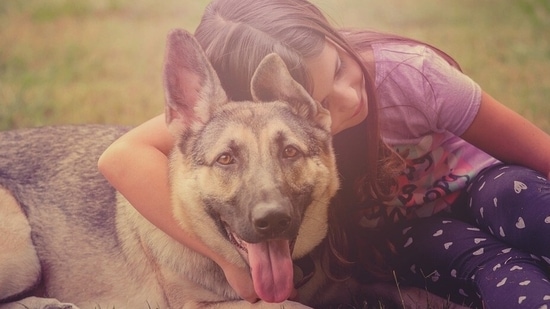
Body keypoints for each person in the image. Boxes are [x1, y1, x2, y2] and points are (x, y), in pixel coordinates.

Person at [98, 0, 550, 308]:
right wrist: (224, 260)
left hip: (487, 184)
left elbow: (536, 150)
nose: (347, 99)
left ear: (331, 35)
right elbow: (121, 156)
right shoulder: (233, 117)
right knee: (491, 265)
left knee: (521, 198)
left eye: (338, 68)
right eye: (321, 98)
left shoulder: (411, 75)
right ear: (255, 98)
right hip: (416, 229)